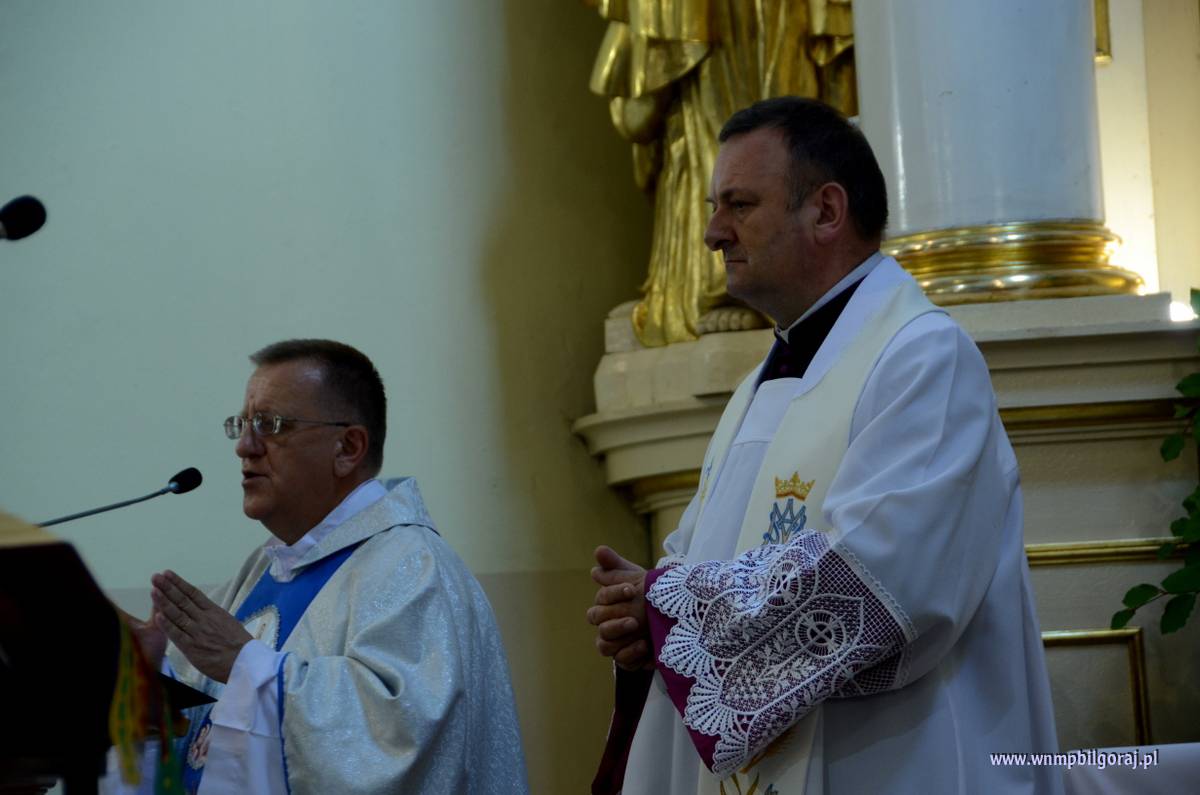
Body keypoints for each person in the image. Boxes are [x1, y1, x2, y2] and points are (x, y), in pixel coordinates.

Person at [586, 97, 1061, 794]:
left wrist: (670, 606)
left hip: (896, 765)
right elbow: (703, 561)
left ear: (827, 211)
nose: (712, 233)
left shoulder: (923, 357)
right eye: (716, 207)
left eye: (739, 204)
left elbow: (887, 577)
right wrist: (645, 614)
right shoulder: (759, 386)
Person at [112, 339, 528, 794]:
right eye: (242, 425)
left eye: (270, 425)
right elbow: (204, 747)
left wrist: (247, 666)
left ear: (347, 447)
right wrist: (151, 682)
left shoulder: (412, 566)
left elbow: (398, 738)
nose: (245, 447)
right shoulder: (263, 569)